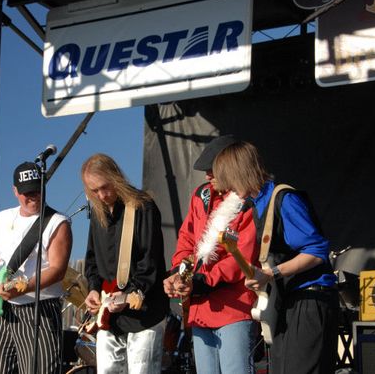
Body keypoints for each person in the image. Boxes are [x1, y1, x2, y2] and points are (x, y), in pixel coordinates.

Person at [212, 139, 339, 374]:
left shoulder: (285, 198)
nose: (225, 189)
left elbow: (317, 251)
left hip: (310, 299)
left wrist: (272, 273)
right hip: (288, 301)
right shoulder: (257, 205)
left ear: (239, 173)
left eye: (228, 180)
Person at [163, 135, 259, 374]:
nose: (207, 175)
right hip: (200, 309)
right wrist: (181, 276)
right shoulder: (201, 195)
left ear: (230, 168)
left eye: (212, 170)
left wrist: (201, 281)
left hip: (234, 308)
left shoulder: (250, 202)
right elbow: (186, 241)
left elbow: (242, 259)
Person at [0, 161, 72, 374]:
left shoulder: (57, 222)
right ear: (15, 191)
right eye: (27, 193)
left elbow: (57, 269)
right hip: (4, 309)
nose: (33, 197)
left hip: (39, 308)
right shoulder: (0, 219)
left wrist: (23, 287)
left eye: (37, 191)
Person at [82, 153, 169, 374]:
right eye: (94, 191)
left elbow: (149, 262)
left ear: (116, 177)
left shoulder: (142, 206)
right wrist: (93, 288)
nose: (101, 195)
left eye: (105, 187)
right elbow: (92, 259)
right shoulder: (97, 212)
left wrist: (129, 293)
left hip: (144, 312)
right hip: (110, 316)